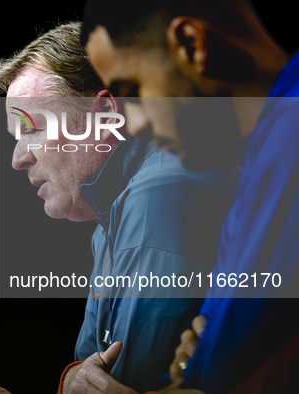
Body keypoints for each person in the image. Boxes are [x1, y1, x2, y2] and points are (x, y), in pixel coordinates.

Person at [0, 21, 238, 393]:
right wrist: (71, 376)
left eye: (33, 129)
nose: (17, 159)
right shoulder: (110, 217)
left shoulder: (160, 193)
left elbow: (125, 381)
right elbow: (91, 372)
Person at [81, 0, 299, 393]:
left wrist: (202, 369)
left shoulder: (290, 139)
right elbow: (214, 357)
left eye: (134, 91)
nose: (136, 124)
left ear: (190, 44)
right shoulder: (257, 165)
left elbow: (220, 369)